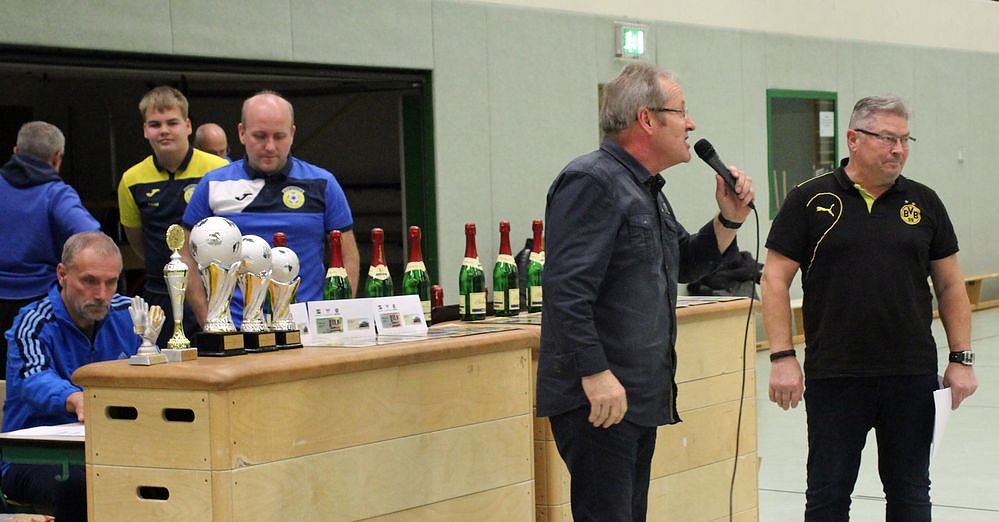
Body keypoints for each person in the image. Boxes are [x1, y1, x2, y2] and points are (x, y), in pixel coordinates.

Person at [536, 62, 755, 521]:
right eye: (682, 111)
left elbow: (685, 261)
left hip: (634, 394)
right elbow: (565, 290)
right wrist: (595, 372)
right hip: (599, 395)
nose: (691, 123)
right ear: (647, 119)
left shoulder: (644, 188)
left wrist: (729, 219)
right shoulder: (592, 182)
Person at [761, 95, 978, 521]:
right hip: (835, 375)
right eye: (887, 139)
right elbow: (774, 279)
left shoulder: (925, 202)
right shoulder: (809, 199)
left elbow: (951, 284)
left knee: (910, 493)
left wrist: (961, 358)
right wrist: (783, 357)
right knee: (827, 494)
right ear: (853, 139)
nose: (899, 149)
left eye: (905, 140)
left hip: (910, 375)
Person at [181, 91, 359, 327]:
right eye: (260, 136)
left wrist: (337, 319)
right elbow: (185, 254)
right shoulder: (212, 184)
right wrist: (209, 320)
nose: (269, 146)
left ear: (292, 134)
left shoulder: (323, 184)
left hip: (307, 327)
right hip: (235, 328)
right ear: (242, 133)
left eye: (279, 136)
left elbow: (348, 257)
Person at [2, 232, 140, 521]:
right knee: (83, 485)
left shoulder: (131, 316)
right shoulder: (32, 323)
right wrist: (74, 397)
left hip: (112, 448)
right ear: (62, 275)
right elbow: (34, 378)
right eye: (89, 281)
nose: (101, 294)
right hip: (32, 459)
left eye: (111, 282)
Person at [117, 86, 228, 347]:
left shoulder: (219, 170)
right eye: (155, 124)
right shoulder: (131, 180)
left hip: (212, 291)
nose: (164, 130)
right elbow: (138, 240)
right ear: (145, 130)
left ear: (188, 126)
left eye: (172, 123)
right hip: (159, 294)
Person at [0, 121, 100, 379]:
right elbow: (92, 238)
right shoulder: (56, 194)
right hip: (38, 305)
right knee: (35, 377)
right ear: (57, 158)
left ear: (15, 152)